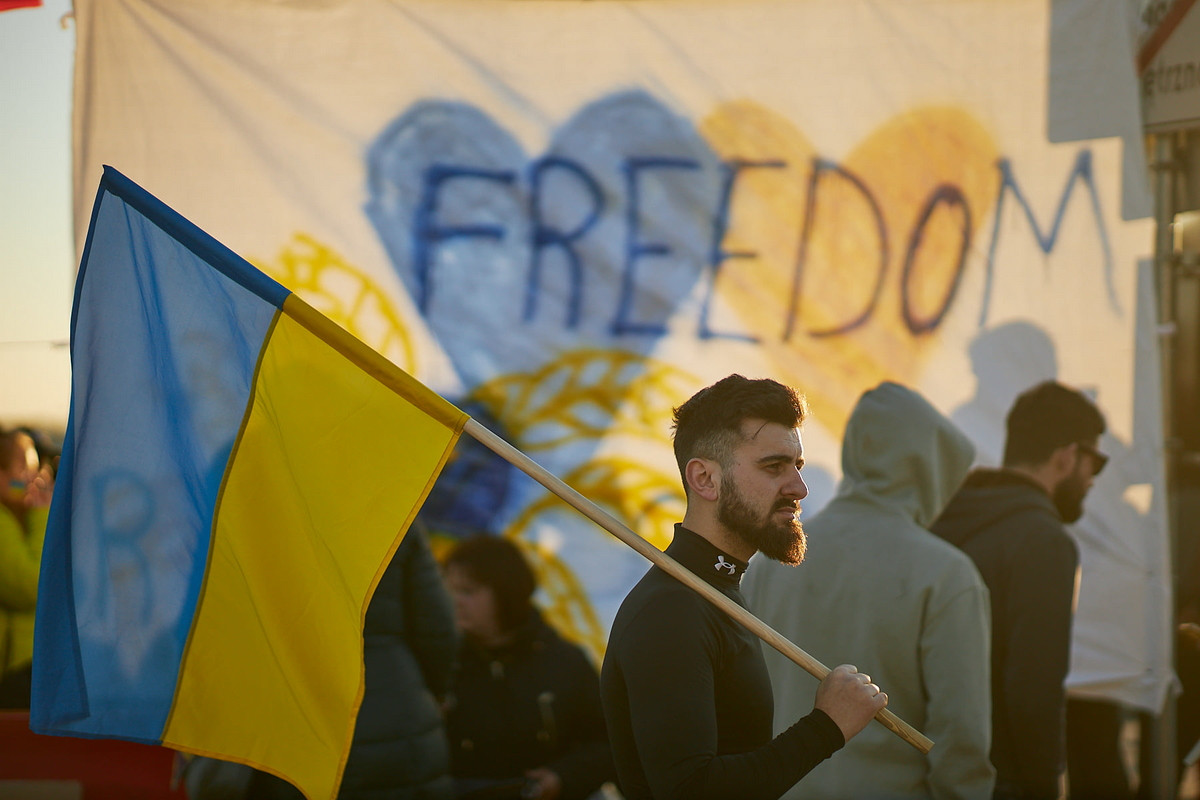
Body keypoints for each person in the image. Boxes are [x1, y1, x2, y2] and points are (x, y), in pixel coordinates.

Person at [600, 374, 888, 800]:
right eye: (773, 467)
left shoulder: (711, 591)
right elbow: (691, 790)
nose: (799, 488)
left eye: (797, 466)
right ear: (705, 479)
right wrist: (826, 727)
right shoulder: (671, 610)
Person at [744, 381, 994, 800]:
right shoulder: (945, 574)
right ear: (931, 467)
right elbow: (961, 734)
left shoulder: (771, 561)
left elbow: (737, 702)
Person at [930, 380, 1107, 800]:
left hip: (929, 765)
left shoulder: (941, 520)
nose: (1093, 480)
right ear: (1067, 456)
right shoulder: (1044, 541)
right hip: (1000, 778)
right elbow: (1034, 689)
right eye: (1095, 464)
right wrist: (1045, 784)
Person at [241, 526, 458, 800]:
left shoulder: (257, 514)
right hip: (397, 713)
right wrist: (435, 691)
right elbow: (438, 630)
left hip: (293, 723)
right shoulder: (395, 512)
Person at [441, 534, 614, 800]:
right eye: (448, 590)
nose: (455, 601)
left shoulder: (564, 662)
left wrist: (562, 777)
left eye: (468, 591)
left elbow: (607, 742)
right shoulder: (437, 662)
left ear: (505, 593)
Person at [0, 427, 54, 708]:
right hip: (11, 677)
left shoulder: (17, 521)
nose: (34, 479)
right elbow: (33, 587)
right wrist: (42, 516)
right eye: (24, 469)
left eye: (35, 469)